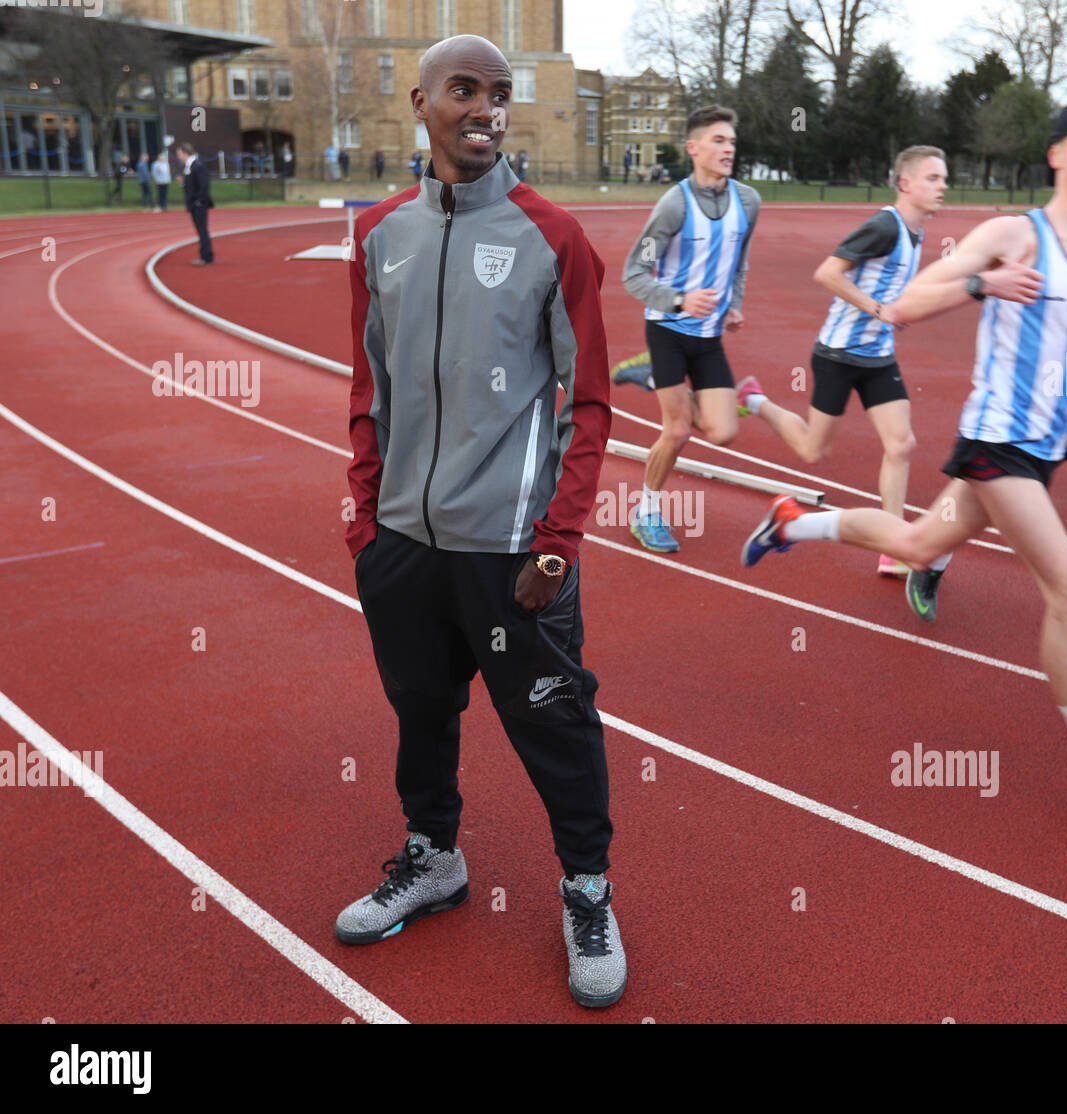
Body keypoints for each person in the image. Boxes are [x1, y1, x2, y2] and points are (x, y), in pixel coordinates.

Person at [742, 97, 1067, 811]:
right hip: (994, 441)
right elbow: (907, 304)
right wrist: (984, 283)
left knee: (919, 544)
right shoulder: (1016, 233)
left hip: (1042, 450)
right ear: (1058, 156)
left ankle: (791, 520)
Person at [339, 34, 626, 1008]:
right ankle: (433, 857)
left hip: (509, 552)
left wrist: (559, 540)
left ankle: (587, 887)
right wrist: (364, 524)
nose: (485, 109)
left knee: (554, 721)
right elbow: (366, 387)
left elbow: (591, 404)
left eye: (499, 94)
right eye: (464, 90)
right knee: (422, 714)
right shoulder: (379, 234)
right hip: (401, 547)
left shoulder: (555, 239)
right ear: (421, 102)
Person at [735, 145, 948, 578]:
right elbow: (828, 273)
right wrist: (876, 308)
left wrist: (899, 309)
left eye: (944, 178)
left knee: (901, 444)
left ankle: (894, 547)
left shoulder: (917, 229)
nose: (942, 186)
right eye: (933, 178)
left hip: (879, 357)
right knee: (815, 450)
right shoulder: (884, 226)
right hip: (838, 354)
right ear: (905, 183)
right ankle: (756, 401)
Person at [618, 105, 761, 553]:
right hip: (668, 328)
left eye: (732, 142)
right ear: (693, 148)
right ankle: (646, 510)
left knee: (723, 432)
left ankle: (651, 379)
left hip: (709, 336)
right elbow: (633, 274)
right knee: (676, 431)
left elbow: (739, 264)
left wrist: (733, 306)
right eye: (718, 141)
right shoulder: (673, 204)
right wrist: (681, 300)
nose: (728, 149)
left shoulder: (749, 202)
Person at [176, 142, 215, 265]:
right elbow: (193, 186)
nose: (179, 157)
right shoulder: (190, 167)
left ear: (185, 153)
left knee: (202, 230)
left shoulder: (197, 166)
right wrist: (184, 183)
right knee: (200, 230)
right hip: (194, 204)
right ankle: (205, 255)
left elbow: (204, 185)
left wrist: (199, 201)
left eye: (180, 154)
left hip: (199, 204)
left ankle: (207, 256)